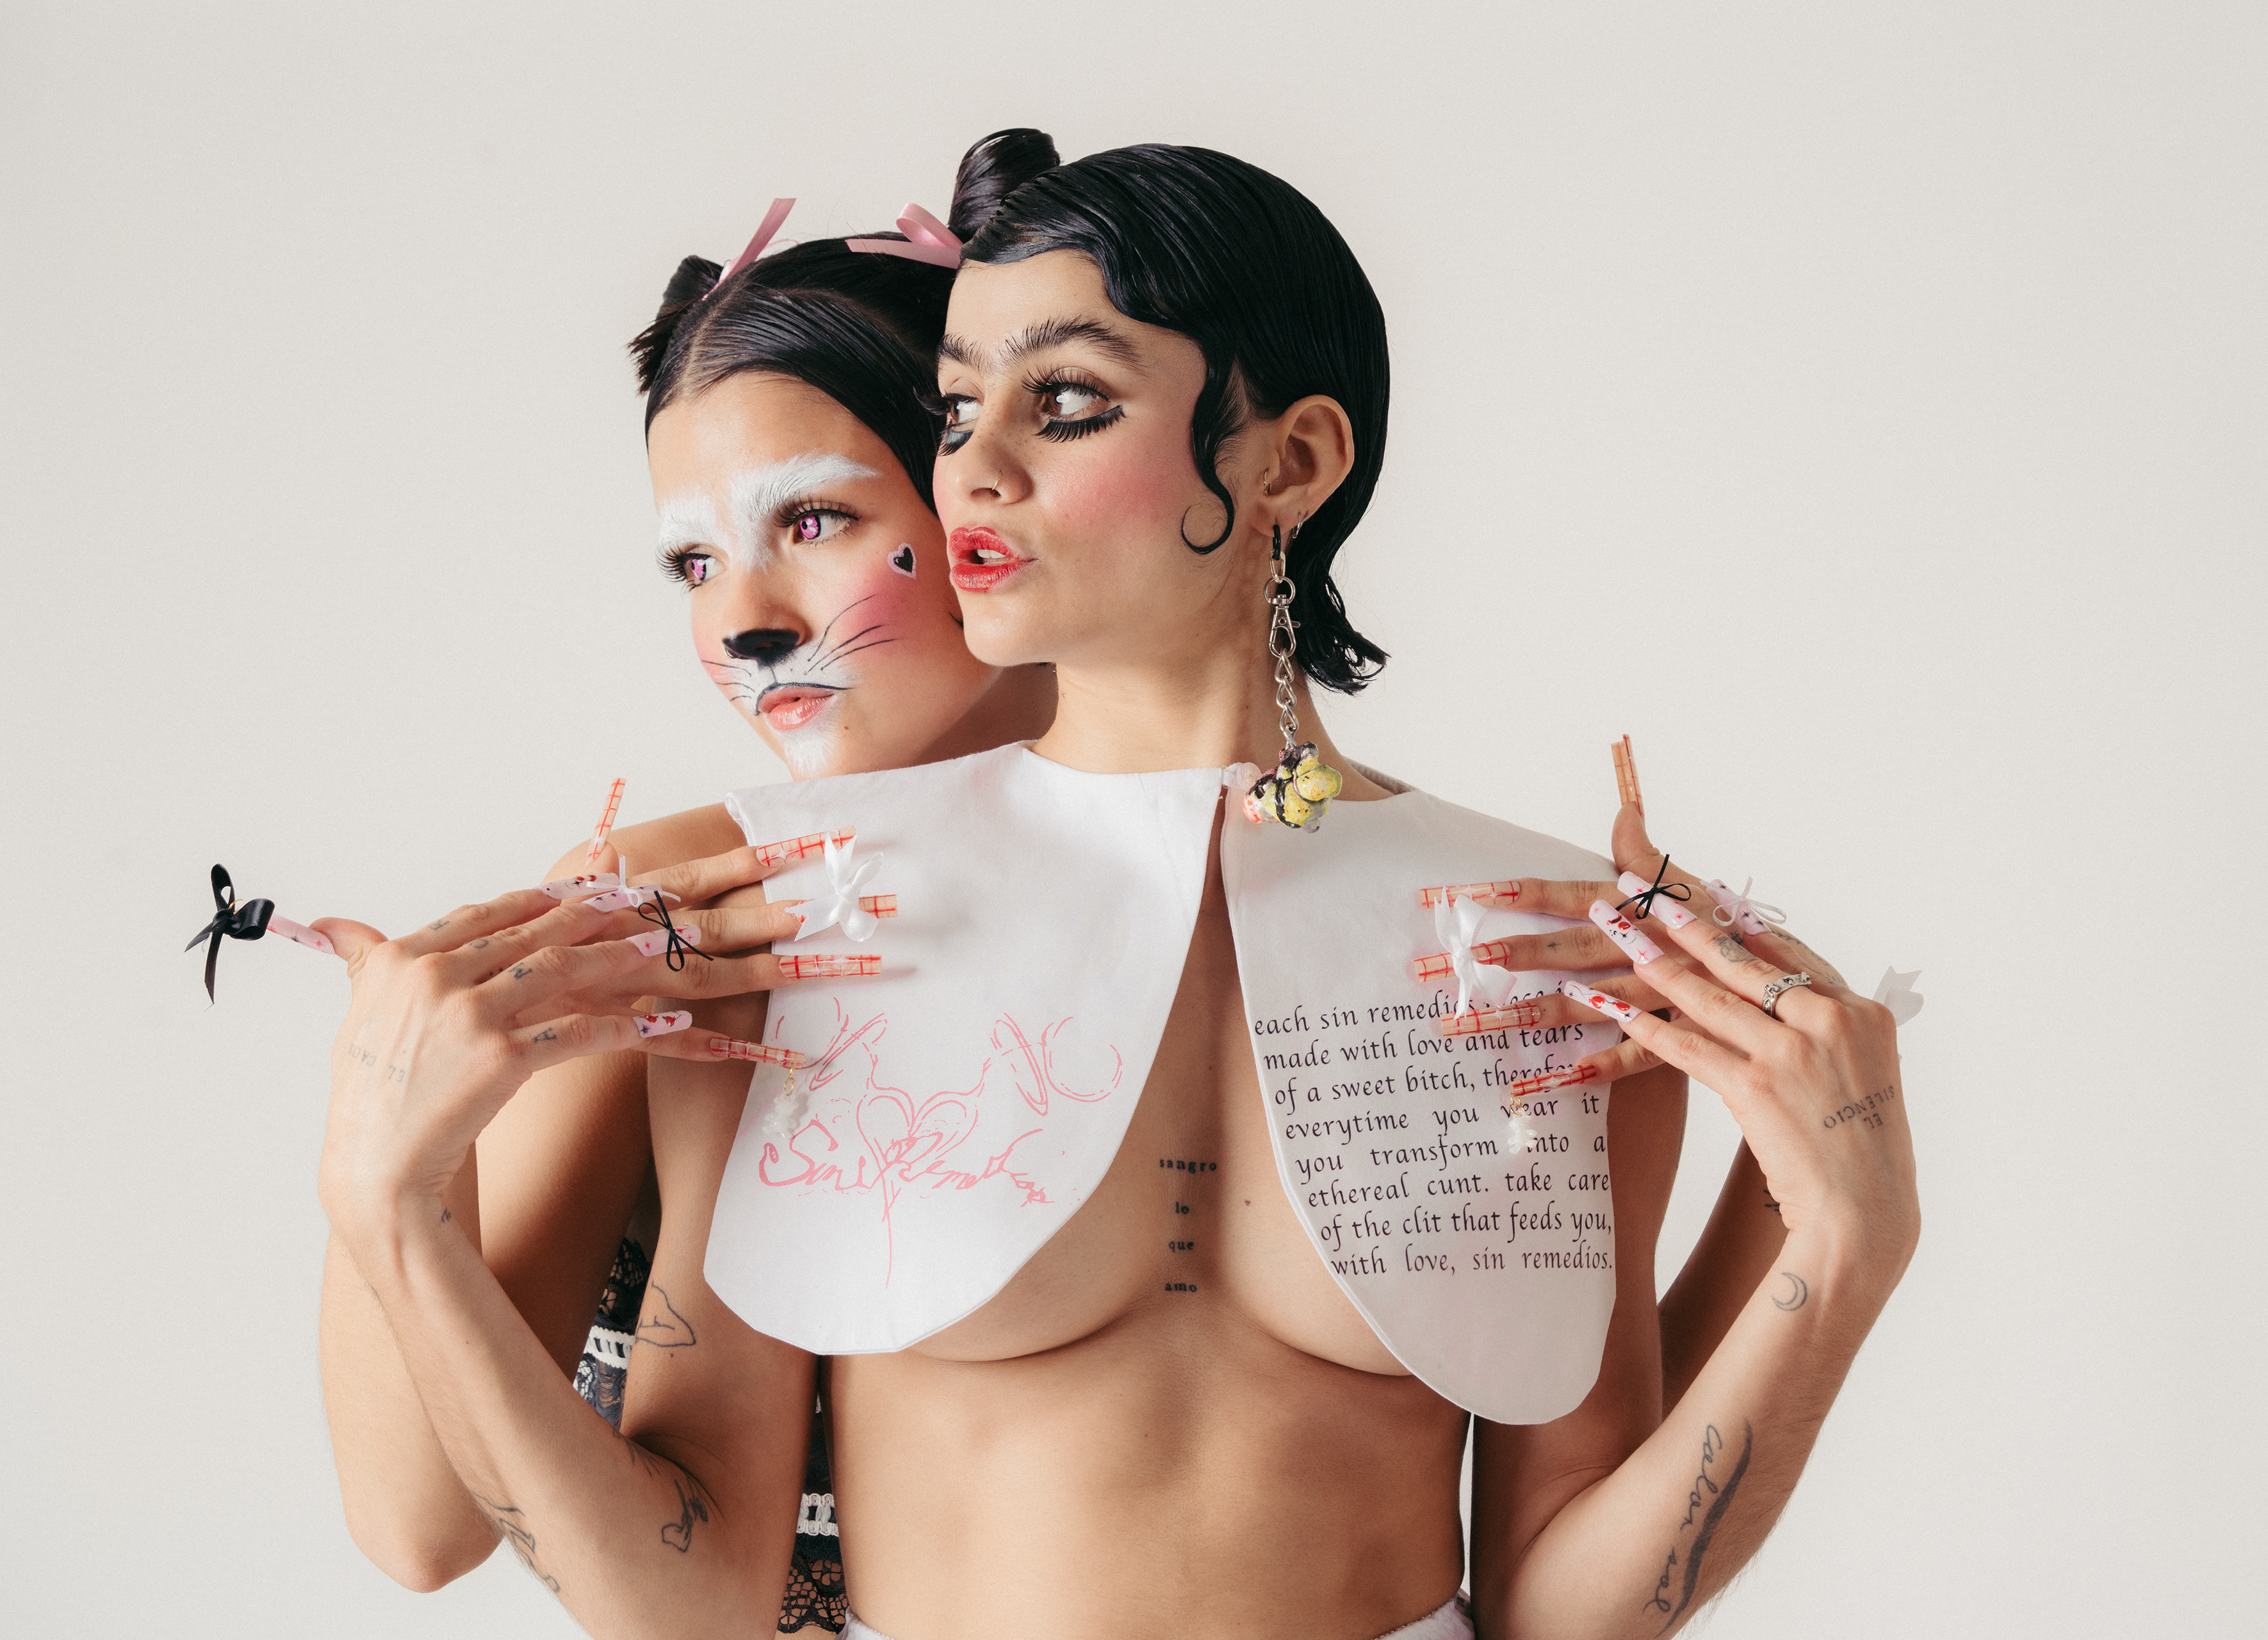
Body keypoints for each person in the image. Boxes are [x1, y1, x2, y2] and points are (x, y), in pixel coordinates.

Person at [317, 138, 1916, 1640]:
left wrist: (1841, 1250)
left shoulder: (1538, 934)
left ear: (1294, 458)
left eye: (1065, 402)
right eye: (955, 413)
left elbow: (1561, 1606)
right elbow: (694, 1595)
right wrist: (391, 1208)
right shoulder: (790, 912)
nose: (974, 472)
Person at [317, 131, 1061, 1634]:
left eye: (812, 521)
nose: (746, 623)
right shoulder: (668, 909)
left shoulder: (1250, 870)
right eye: (694, 564)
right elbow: (417, 1523)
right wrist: (387, 1170)